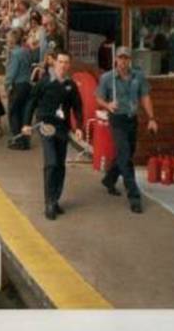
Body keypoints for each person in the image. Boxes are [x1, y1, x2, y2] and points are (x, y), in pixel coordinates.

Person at [95, 46, 158, 215]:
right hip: (117, 119)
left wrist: (151, 118)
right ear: (116, 59)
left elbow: (145, 97)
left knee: (127, 154)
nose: (123, 61)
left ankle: (109, 180)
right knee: (125, 156)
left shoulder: (138, 76)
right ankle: (134, 196)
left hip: (132, 119)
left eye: (126, 58)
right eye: (120, 58)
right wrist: (108, 105)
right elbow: (98, 97)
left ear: (130, 60)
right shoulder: (107, 78)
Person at [22, 51, 84, 220]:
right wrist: (26, 124)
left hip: (62, 128)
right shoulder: (44, 82)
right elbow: (31, 102)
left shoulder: (71, 85)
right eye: (60, 61)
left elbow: (77, 107)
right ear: (55, 63)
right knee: (51, 162)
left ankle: (56, 200)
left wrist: (79, 127)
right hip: (45, 126)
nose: (63, 65)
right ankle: (48, 203)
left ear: (69, 65)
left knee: (60, 166)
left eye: (66, 62)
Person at [5, 30, 34, 150]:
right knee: (24, 114)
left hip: (18, 85)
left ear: (12, 40)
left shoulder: (14, 54)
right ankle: (25, 140)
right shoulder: (26, 51)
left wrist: (7, 85)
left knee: (14, 113)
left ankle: (17, 140)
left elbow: (12, 72)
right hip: (27, 84)